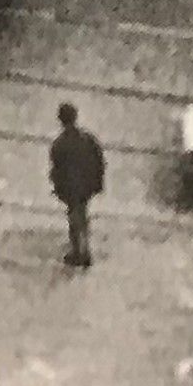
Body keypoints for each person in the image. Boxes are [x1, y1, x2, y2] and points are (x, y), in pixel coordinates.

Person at [49, 103, 106, 269]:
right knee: (83, 215)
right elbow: (99, 161)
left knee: (74, 217)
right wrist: (97, 182)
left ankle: (77, 250)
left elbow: (57, 169)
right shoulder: (87, 139)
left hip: (71, 186)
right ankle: (85, 249)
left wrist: (58, 187)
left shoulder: (59, 143)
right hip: (86, 184)